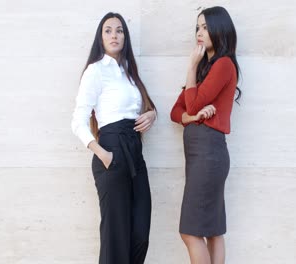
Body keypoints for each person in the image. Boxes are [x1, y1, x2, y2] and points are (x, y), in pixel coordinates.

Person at [71, 12, 156, 264]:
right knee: (115, 238)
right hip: (111, 150)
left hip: (134, 151)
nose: (114, 35)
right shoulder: (96, 71)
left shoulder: (130, 72)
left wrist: (152, 114)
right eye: (108, 30)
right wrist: (103, 154)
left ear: (125, 37)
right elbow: (78, 120)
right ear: (101, 37)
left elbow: (142, 107)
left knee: (140, 234)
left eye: (119, 30)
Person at [170, 6, 241, 264]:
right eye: (197, 27)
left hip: (209, 154)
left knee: (190, 232)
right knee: (212, 231)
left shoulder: (223, 64)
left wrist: (190, 66)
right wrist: (193, 117)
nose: (199, 32)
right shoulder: (205, 69)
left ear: (219, 29)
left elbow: (191, 103)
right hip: (203, 156)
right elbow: (177, 111)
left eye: (205, 27)